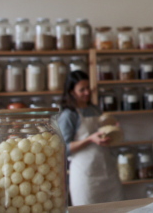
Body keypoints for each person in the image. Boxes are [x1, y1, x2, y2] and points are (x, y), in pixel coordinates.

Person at [57, 70, 123, 205]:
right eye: (82, 90)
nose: (87, 92)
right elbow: (63, 148)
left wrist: (111, 129)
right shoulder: (69, 115)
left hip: (107, 172)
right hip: (85, 177)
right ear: (71, 92)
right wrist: (89, 139)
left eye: (88, 88)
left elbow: (101, 132)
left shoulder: (95, 110)